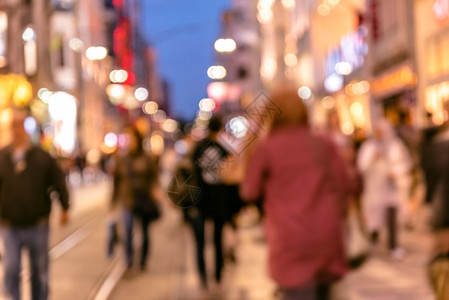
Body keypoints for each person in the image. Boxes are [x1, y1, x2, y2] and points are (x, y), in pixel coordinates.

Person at [241, 87, 351, 300]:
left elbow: (249, 191)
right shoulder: (323, 143)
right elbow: (345, 184)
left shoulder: (267, 149)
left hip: (289, 239)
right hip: (327, 237)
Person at [0, 110, 69, 300]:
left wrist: (65, 207)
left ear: (26, 128)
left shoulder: (41, 157)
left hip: (37, 223)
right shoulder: (2, 157)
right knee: (11, 269)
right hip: (9, 223)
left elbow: (58, 182)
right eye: (13, 125)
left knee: (39, 270)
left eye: (19, 125)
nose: (16, 130)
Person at [357, 119, 412, 260]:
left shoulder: (396, 146)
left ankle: (393, 245)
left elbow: (405, 164)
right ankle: (373, 239)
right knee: (375, 216)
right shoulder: (368, 147)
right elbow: (361, 167)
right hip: (374, 189)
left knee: (391, 216)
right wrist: (372, 159)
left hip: (391, 188)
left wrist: (396, 172)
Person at [110, 126, 159, 271]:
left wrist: (154, 190)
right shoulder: (122, 160)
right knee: (127, 232)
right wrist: (113, 201)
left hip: (143, 200)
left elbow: (154, 177)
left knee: (144, 232)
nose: (129, 141)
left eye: (131, 138)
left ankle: (143, 260)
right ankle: (129, 260)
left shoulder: (147, 158)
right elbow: (116, 181)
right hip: (127, 200)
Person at [190, 115, 228, 288]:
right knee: (218, 239)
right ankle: (218, 275)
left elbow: (191, 174)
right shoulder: (223, 149)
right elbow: (229, 176)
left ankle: (203, 276)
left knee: (200, 242)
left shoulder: (198, 147)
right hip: (219, 199)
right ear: (219, 129)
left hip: (200, 199)